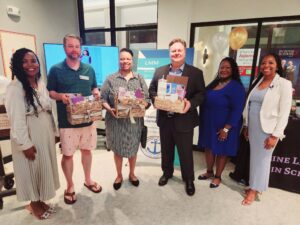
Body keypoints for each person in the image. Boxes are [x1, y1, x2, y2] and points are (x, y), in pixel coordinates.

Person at [5, 48, 59, 219]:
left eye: (33, 61)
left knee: (42, 167)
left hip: (44, 133)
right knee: (31, 169)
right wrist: (25, 144)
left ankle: (40, 200)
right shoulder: (15, 87)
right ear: (18, 66)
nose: (30, 65)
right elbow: (16, 120)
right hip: (29, 135)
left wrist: (54, 130)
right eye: (25, 61)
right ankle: (33, 204)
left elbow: (47, 108)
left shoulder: (39, 82)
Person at [47, 34, 102, 205]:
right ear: (64, 48)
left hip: (88, 120)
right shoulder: (56, 70)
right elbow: (51, 92)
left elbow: (94, 86)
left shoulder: (89, 69)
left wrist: (96, 92)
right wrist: (61, 96)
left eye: (77, 46)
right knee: (68, 155)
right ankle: (70, 186)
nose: (74, 50)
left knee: (87, 151)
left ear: (81, 49)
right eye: (70, 46)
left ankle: (88, 179)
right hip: (67, 122)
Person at [149, 38, 205, 196]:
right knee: (166, 150)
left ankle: (188, 179)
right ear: (169, 53)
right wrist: (155, 100)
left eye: (179, 50)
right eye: (173, 50)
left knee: (185, 152)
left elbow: (201, 94)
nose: (176, 53)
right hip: (165, 119)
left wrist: (190, 104)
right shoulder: (160, 71)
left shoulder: (195, 73)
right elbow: (152, 90)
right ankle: (167, 173)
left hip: (184, 120)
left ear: (185, 52)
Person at [242, 53, 292, 205]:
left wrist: (275, 135)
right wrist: (246, 125)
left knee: (263, 160)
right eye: (263, 63)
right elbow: (249, 105)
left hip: (268, 129)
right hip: (253, 127)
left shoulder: (283, 84)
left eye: (270, 63)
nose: (266, 66)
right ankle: (254, 185)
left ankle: (254, 190)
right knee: (255, 158)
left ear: (277, 65)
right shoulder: (258, 81)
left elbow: (284, 112)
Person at [101, 48, 150, 190]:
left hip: (134, 122)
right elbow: (103, 98)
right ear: (119, 60)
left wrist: (142, 104)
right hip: (115, 121)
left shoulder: (139, 78)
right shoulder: (111, 79)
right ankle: (119, 175)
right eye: (122, 59)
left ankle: (132, 174)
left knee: (132, 148)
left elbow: (146, 98)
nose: (125, 61)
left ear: (132, 60)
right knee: (117, 149)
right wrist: (109, 109)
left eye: (128, 59)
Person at [198, 57, 246, 188]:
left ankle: (218, 176)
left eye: (227, 68)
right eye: (222, 67)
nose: (223, 70)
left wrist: (226, 129)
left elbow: (237, 110)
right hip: (209, 123)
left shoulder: (236, 87)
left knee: (222, 151)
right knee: (208, 148)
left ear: (233, 70)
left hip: (225, 126)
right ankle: (209, 172)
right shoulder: (214, 83)